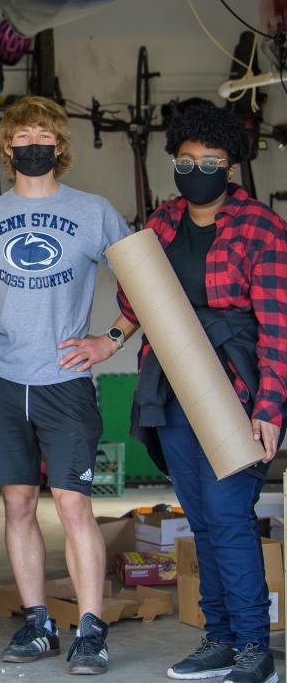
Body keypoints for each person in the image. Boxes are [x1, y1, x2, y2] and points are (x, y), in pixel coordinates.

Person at [67, 102, 286, 683]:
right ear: (174, 162)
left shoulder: (261, 228)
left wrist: (269, 408)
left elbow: (278, 327)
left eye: (211, 161)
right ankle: (218, 640)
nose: (198, 171)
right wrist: (108, 341)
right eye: (187, 161)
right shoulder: (162, 222)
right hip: (170, 383)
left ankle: (252, 648)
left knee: (229, 515)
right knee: (201, 518)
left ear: (232, 167)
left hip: (234, 384)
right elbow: (140, 299)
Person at [0, 96, 129, 675]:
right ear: (7, 149)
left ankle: (91, 630)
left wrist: (111, 340)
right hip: (1, 377)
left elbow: (145, 283)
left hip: (65, 380)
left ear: (60, 146)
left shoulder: (95, 212)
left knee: (74, 506)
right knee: (18, 504)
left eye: (42, 137)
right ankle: (36, 622)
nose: (32, 147)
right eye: (21, 139)